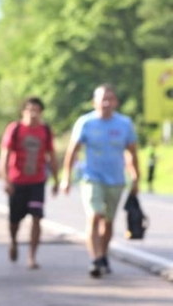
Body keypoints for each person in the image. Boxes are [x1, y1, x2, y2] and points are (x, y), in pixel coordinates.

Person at [62, 83, 139, 278]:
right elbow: (73, 151)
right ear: (94, 102)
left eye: (110, 99)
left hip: (116, 179)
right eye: (102, 99)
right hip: (91, 177)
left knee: (109, 222)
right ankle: (95, 259)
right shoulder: (85, 122)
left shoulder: (124, 124)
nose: (106, 103)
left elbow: (131, 153)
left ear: (116, 102)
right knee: (94, 216)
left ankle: (103, 254)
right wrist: (66, 178)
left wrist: (136, 176)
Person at [0, 96, 59, 269]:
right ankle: (13, 241)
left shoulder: (45, 131)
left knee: (37, 217)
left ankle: (32, 256)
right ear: (23, 112)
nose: (33, 114)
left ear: (41, 113)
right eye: (29, 110)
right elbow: (5, 156)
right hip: (17, 181)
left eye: (36, 110)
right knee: (14, 220)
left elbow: (51, 156)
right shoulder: (15, 129)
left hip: (37, 181)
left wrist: (56, 179)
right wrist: (6, 180)